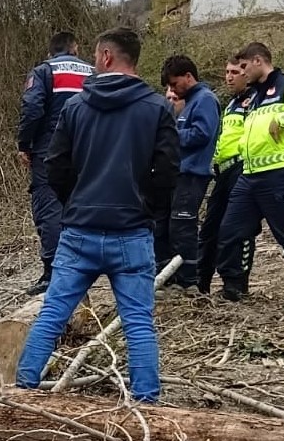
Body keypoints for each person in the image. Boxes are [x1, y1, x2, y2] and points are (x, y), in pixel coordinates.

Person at [16, 27, 179, 403]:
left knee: (52, 315)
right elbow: (168, 172)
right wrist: (145, 210)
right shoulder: (157, 108)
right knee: (138, 323)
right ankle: (146, 407)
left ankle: (21, 396)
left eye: (94, 57)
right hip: (132, 231)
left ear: (106, 57)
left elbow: (54, 167)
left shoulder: (76, 108)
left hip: (79, 231)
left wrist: (75, 203)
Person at [216, 42, 284, 310]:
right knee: (232, 231)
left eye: (244, 67)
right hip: (250, 174)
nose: (241, 72)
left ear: (257, 61)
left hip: (280, 174)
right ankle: (236, 285)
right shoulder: (254, 95)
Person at [16, 32, 94, 295]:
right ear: (75, 48)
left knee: (49, 209)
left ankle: (53, 273)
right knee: (83, 206)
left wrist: (25, 144)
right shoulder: (93, 72)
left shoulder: (43, 72)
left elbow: (32, 108)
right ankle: (84, 268)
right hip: (89, 150)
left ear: (51, 52)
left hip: (50, 151)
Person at [155, 55, 220, 291]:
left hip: (193, 173)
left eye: (174, 84)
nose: (172, 90)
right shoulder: (190, 102)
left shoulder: (204, 100)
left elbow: (202, 134)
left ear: (188, 76)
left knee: (183, 226)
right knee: (166, 225)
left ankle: (188, 281)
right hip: (177, 173)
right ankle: (167, 277)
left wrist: (169, 136)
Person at [197, 56, 261, 295]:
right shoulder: (232, 103)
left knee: (237, 229)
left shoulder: (257, 99)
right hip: (223, 171)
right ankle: (201, 281)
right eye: (226, 72)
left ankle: (235, 284)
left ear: (247, 72)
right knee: (210, 229)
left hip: (243, 168)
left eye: (235, 72)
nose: (229, 77)